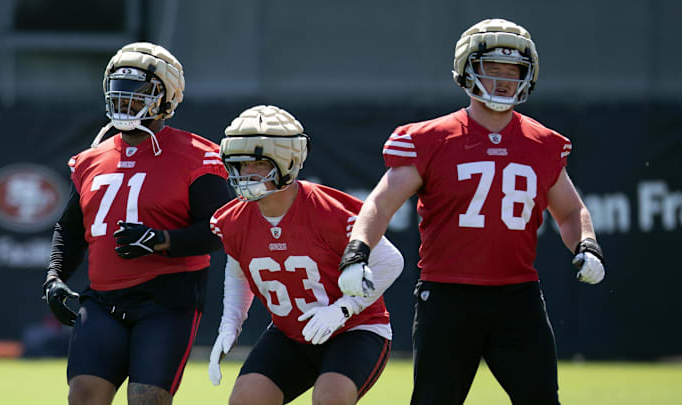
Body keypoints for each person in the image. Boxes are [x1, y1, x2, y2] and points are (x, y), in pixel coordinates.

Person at [337, 18, 607, 405]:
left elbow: (569, 211)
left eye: (512, 71)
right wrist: (357, 250)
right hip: (448, 297)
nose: (502, 80)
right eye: (491, 69)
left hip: (518, 297)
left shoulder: (543, 143)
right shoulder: (429, 138)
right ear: (467, 70)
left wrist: (587, 243)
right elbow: (380, 203)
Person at [42, 42, 231, 405]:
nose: (125, 101)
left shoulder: (198, 156)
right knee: (83, 395)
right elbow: (70, 227)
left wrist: (160, 241)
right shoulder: (90, 159)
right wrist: (54, 276)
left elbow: (217, 230)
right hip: (102, 299)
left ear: (167, 98)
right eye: (119, 90)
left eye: (137, 92)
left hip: (168, 298)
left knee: (147, 399)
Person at [207, 105, 404, 405]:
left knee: (331, 398)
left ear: (288, 161)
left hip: (354, 329)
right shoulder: (232, 220)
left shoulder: (327, 211)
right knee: (245, 400)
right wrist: (230, 323)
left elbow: (390, 261)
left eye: (257, 163)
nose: (247, 173)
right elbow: (238, 269)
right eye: (240, 164)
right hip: (290, 334)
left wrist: (343, 308)